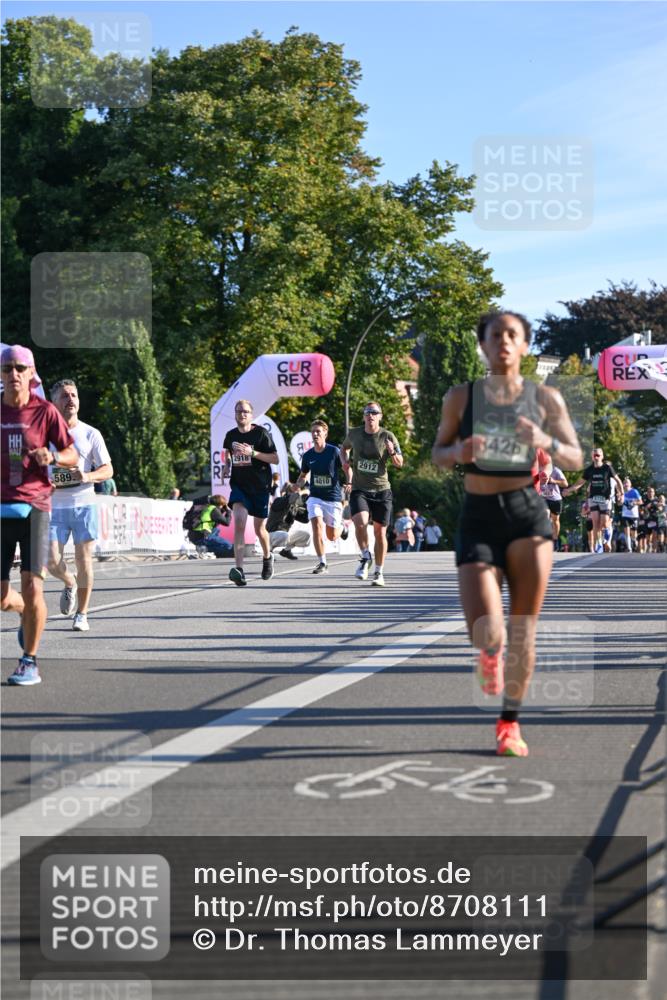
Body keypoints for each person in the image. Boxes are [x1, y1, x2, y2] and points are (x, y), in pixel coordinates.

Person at [431, 311, 582, 757]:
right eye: (495, 335)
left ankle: (509, 724)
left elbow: (574, 457)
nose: (503, 341)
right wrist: (459, 450)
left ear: (525, 345)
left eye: (512, 335)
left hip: (526, 513)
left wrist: (544, 440)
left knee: (523, 630)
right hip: (478, 515)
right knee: (486, 629)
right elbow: (438, 454)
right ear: (483, 344)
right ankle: (488, 655)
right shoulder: (461, 397)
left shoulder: (546, 398)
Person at [1, 346, 78, 685]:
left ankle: (29, 660)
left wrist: (53, 456)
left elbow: (72, 453)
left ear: (31, 374)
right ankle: (23, 614)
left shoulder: (45, 411)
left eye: (20, 368)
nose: (13, 374)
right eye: (7, 369)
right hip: (1, 508)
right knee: (4, 597)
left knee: (32, 588)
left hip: (35, 507)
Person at [45, 380, 114, 632]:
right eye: (64, 396)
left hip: (84, 504)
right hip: (54, 508)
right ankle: (69, 582)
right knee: (51, 561)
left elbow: (107, 469)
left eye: (74, 395)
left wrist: (87, 476)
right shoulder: (44, 433)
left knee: (84, 560)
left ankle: (82, 614)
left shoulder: (90, 433)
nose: (70, 399)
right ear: (54, 403)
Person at [341, 401, 403, 587]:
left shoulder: (387, 436)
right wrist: (345, 464)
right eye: (367, 412)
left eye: (374, 412)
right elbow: (344, 449)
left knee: (380, 532)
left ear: (380, 416)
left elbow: (400, 463)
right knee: (360, 523)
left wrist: (392, 453)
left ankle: (379, 572)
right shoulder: (354, 433)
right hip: (360, 488)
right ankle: (365, 555)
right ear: (363, 416)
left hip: (382, 490)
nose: (370, 415)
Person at [222, 400, 279, 586]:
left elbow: (276, 458)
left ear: (251, 415)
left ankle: (267, 556)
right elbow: (228, 453)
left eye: (246, 411)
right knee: (239, 523)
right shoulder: (230, 435)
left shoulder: (261, 433)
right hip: (240, 486)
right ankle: (239, 570)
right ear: (235, 414)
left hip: (260, 487)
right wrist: (226, 465)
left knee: (259, 529)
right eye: (239, 411)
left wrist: (252, 453)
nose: (242, 414)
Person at [293, 419, 347, 574]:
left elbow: (345, 467)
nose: (315, 434)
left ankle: (342, 528)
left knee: (332, 536)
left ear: (325, 433)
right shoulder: (308, 455)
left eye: (318, 431)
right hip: (315, 496)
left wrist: (350, 481)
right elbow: (303, 475)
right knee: (316, 526)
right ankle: (322, 562)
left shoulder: (334, 451)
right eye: (313, 432)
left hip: (333, 497)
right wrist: (298, 484)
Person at [564, 448, 623, 553]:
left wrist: (622, 494)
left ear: (602, 456)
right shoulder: (589, 469)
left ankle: (607, 533)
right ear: (592, 457)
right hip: (593, 498)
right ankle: (598, 545)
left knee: (604, 523)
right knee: (595, 523)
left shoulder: (607, 468)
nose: (596, 456)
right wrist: (569, 490)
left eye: (598, 454)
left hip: (605, 498)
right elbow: (580, 483)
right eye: (594, 455)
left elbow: (618, 480)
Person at [266, 483, 311, 559]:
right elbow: (291, 499)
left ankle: (286, 551)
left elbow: (305, 519)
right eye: (297, 493)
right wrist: (304, 491)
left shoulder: (295, 506)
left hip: (283, 534)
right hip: (271, 534)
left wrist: (307, 503)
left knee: (306, 536)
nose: (299, 497)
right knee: (284, 536)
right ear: (289, 493)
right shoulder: (279, 501)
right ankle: (269, 551)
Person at [538, 465, 568, 550]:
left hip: (555, 499)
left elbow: (565, 484)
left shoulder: (556, 470)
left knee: (556, 521)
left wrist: (553, 480)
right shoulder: (537, 469)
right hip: (543, 498)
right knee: (545, 517)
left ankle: (555, 540)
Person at [620, 478, 642, 552]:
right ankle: (629, 548)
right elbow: (619, 503)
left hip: (634, 515)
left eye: (627, 483)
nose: (626, 484)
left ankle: (634, 541)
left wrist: (634, 503)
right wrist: (620, 500)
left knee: (634, 532)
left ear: (630, 484)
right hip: (625, 515)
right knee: (627, 530)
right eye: (624, 483)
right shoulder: (622, 493)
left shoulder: (634, 491)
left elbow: (640, 502)